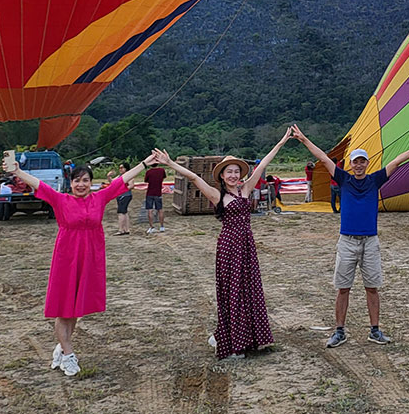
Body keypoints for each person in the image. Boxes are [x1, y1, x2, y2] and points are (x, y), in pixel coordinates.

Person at [5, 152, 151, 376]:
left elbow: (121, 180)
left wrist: (144, 162)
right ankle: (68, 354)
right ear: (70, 183)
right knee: (64, 310)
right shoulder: (60, 200)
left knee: (75, 310)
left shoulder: (99, 198)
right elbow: (39, 184)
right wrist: (17, 172)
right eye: (77, 180)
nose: (81, 184)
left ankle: (62, 348)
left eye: (85, 180)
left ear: (91, 183)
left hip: (90, 258)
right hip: (66, 258)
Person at [153, 131, 293, 360]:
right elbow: (194, 179)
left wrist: (281, 141)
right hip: (229, 248)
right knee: (232, 294)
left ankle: (243, 338)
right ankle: (231, 343)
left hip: (246, 247)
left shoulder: (245, 189)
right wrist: (169, 163)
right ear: (222, 175)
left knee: (250, 292)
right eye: (229, 172)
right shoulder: (217, 195)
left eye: (236, 171)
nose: (233, 175)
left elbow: (265, 162)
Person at [292, 124, 409, 347]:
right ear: (351, 165)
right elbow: (323, 158)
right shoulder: (344, 179)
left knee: (372, 287)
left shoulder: (374, 180)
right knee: (343, 287)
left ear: (367, 163)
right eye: (356, 161)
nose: (359, 165)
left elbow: (396, 162)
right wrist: (304, 140)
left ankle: (375, 330)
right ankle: (339, 331)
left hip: (370, 241)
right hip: (347, 241)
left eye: (363, 161)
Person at [142, 160, 167, 233]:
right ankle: (162, 226)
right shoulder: (162, 170)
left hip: (150, 193)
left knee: (150, 210)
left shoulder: (149, 172)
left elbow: (146, 181)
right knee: (160, 209)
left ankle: (151, 227)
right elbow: (164, 177)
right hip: (158, 192)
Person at [115, 163, 134, 235]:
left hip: (125, 196)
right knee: (124, 212)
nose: (120, 169)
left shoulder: (129, 176)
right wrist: (109, 176)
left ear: (126, 168)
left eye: (122, 167)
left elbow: (131, 185)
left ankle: (121, 230)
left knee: (121, 213)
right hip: (121, 196)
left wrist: (122, 190)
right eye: (119, 168)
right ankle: (126, 229)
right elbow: (112, 182)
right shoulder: (120, 176)